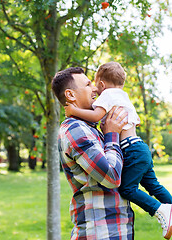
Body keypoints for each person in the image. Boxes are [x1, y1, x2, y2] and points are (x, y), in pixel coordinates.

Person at [64, 62, 172, 240]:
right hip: (140, 146)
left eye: (93, 84)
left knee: (128, 188)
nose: (94, 89)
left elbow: (95, 116)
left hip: (130, 149)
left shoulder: (106, 96)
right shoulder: (123, 97)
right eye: (88, 85)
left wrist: (73, 110)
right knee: (153, 185)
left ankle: (160, 210)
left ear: (101, 84)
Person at [52, 67, 135, 240]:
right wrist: (112, 134)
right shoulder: (75, 129)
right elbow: (111, 176)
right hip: (99, 233)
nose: (96, 89)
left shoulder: (91, 129)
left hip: (114, 230)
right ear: (71, 95)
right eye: (88, 84)